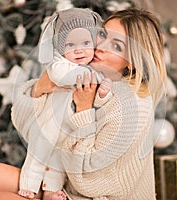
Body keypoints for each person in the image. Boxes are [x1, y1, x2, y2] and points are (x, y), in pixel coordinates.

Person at [0, 8, 166, 200]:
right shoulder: (82, 78)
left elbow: (90, 182)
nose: (100, 46)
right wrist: (40, 89)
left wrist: (83, 111)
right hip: (64, 187)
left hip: (93, 195)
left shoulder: (132, 106)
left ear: (133, 62)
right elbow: (28, 127)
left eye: (116, 46)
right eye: (102, 35)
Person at [17, 8, 112, 200]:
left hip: (70, 128)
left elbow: (99, 100)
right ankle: (29, 184)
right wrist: (93, 78)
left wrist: (103, 92)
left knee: (58, 162)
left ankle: (51, 192)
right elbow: (60, 77)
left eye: (86, 43)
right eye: (70, 45)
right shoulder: (58, 64)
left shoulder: (94, 69)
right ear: (61, 47)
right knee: (39, 153)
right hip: (50, 123)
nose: (79, 50)